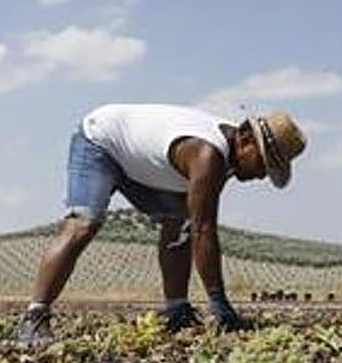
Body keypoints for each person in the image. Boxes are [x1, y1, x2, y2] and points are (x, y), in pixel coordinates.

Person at [15, 103, 307, 345]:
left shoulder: (229, 155)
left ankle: (177, 310)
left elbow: (195, 225)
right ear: (245, 140)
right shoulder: (208, 154)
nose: (261, 176)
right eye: (263, 164)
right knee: (84, 224)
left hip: (140, 165)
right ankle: (34, 318)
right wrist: (219, 303)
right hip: (101, 142)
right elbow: (206, 228)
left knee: (180, 224)